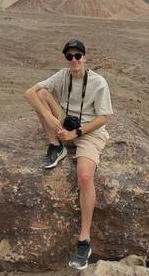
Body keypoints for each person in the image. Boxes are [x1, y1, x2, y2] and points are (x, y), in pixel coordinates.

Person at [24, 39, 113, 270]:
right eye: (70, 56)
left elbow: (103, 118)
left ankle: (84, 241)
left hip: (88, 131)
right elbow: (30, 93)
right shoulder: (63, 75)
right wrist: (51, 118)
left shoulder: (98, 82)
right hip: (65, 123)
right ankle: (56, 146)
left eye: (78, 55)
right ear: (65, 58)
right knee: (42, 93)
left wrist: (77, 133)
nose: (74, 60)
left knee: (84, 177)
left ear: (85, 57)